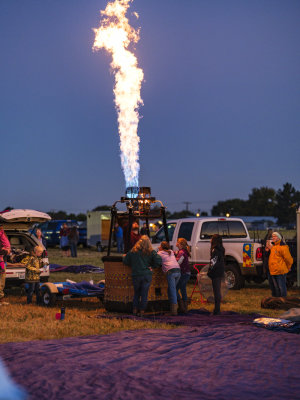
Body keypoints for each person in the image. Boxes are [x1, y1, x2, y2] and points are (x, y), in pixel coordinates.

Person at [123, 235, 162, 316]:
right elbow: (159, 260)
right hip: (147, 275)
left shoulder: (133, 251)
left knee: (136, 293)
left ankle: (134, 310)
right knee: (144, 294)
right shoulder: (151, 252)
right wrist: (152, 266)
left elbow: (126, 261)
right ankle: (142, 311)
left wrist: (125, 257)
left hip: (136, 275)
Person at [158, 241, 181, 315]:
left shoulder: (160, 253)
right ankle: (181, 306)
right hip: (178, 270)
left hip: (171, 271)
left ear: (161, 247)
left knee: (172, 290)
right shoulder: (171, 252)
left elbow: (156, 260)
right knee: (173, 289)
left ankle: (174, 311)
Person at [268, 232, 293, 297]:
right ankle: (277, 301)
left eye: (275, 236)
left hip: (280, 271)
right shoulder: (273, 247)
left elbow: (289, 259)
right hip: (273, 271)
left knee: (281, 287)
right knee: (276, 288)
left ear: (279, 238)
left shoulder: (283, 247)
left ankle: (283, 301)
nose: (273, 238)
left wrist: (288, 267)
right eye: (272, 236)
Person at [207, 234, 225, 315]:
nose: (210, 240)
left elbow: (213, 262)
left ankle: (217, 310)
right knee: (218, 291)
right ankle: (217, 309)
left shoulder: (215, 250)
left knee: (216, 291)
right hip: (220, 271)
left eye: (211, 238)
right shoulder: (221, 249)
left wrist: (209, 271)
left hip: (216, 272)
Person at [175, 238, 191, 314]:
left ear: (180, 244)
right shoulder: (183, 252)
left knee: (175, 289)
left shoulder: (181, 253)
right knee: (183, 289)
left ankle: (181, 306)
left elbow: (178, 262)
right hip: (186, 273)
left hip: (184, 273)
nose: (176, 243)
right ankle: (185, 307)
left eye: (177, 242)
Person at [0, 225, 11, 306]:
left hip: (3, 262)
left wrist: (7, 250)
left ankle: (1, 300)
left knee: (2, 282)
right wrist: (5, 251)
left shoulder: (2, 234)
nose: (1, 227)